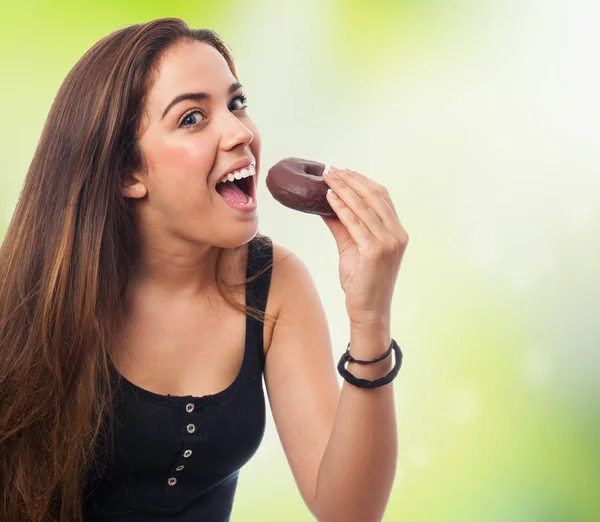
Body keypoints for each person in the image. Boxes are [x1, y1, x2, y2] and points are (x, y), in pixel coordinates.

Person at [0, 17, 409, 522]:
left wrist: (370, 321)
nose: (240, 132)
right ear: (128, 173)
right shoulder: (29, 296)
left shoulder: (274, 283)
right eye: (192, 118)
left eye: (236, 104)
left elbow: (348, 512)